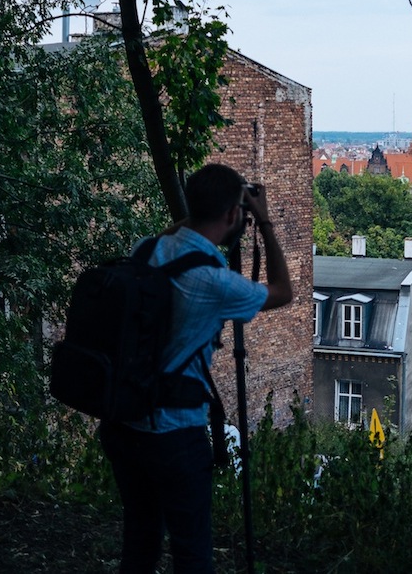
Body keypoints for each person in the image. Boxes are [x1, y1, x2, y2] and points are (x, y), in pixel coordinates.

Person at [99, 163, 292, 574]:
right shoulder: (213, 280)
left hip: (125, 424)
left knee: (139, 544)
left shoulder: (145, 250)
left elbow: (175, 234)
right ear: (231, 215)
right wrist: (265, 221)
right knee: (192, 555)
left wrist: (211, 211)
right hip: (175, 435)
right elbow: (282, 292)